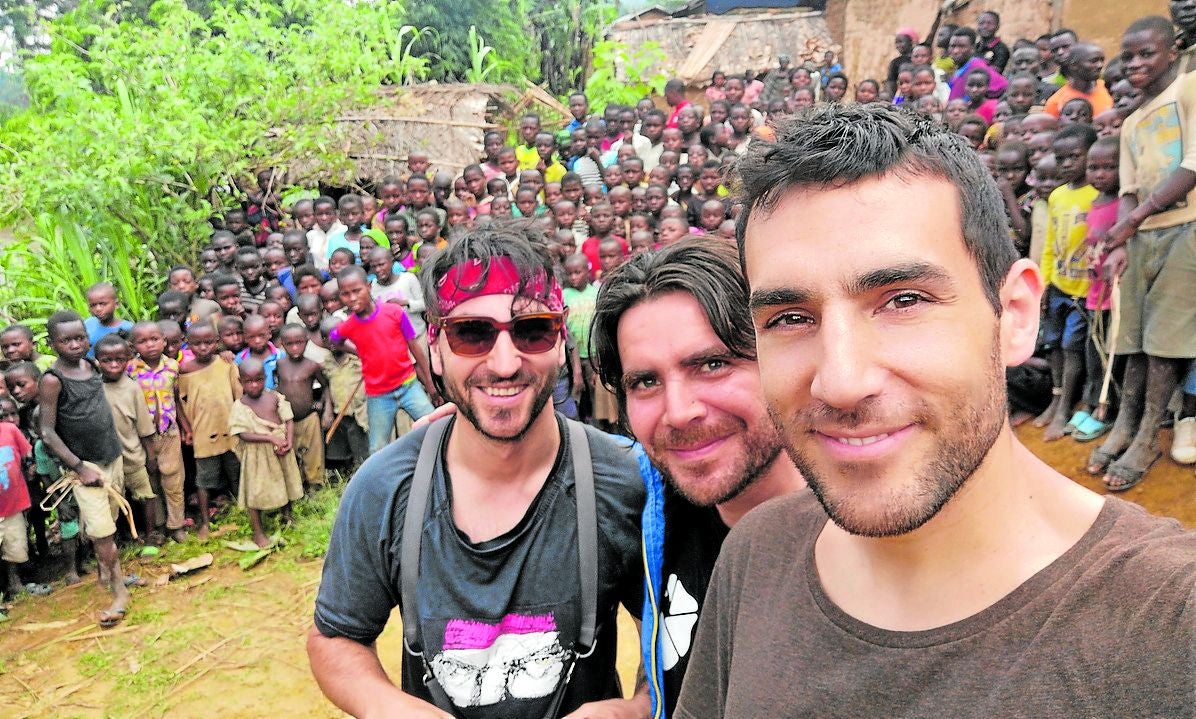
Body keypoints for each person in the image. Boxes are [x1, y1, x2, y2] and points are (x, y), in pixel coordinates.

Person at [675, 103, 1195, 718]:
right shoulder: (757, 552)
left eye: (904, 300)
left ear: (1016, 316)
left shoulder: (1170, 627)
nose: (841, 382)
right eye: (790, 318)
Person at [308, 226, 649, 718]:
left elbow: (675, 631)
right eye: (472, 334)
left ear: (560, 338)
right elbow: (336, 637)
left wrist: (634, 710)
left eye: (532, 330)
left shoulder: (625, 482)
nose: (505, 363)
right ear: (435, 345)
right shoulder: (385, 488)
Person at [590, 239, 805, 718]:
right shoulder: (657, 509)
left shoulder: (870, 546)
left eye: (712, 364)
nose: (680, 412)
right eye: (645, 381)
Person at [1093, 16, 1196, 491]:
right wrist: (1118, 239)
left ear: (1172, 51)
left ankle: (1147, 436)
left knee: (1164, 343)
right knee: (1132, 339)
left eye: (1146, 54)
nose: (1135, 64)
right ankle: (1124, 427)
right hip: (1143, 236)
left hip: (1186, 230)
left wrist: (1133, 220)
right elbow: (1130, 190)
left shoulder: (1191, 89)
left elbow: (1192, 165)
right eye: (1128, 55)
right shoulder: (1132, 121)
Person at [38, 311, 133, 628]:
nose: (75, 344)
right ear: (53, 344)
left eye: (80, 337)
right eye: (67, 340)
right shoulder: (53, 380)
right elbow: (47, 433)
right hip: (85, 467)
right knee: (102, 530)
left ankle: (108, 575)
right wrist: (79, 467)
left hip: (110, 456)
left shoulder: (90, 365)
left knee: (112, 517)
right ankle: (119, 590)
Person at [329, 265, 438, 455]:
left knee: (434, 426)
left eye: (357, 291)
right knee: (377, 448)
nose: (352, 298)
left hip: (408, 386)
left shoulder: (394, 313)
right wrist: (358, 351)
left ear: (369, 286)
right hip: (378, 394)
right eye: (345, 294)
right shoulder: (349, 326)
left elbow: (415, 349)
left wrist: (429, 383)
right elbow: (334, 340)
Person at [1036, 123, 1099, 442]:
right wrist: (1046, 283)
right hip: (1058, 287)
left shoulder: (1098, 195)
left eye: (1073, 157)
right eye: (1060, 159)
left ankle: (1064, 409)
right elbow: (1049, 244)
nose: (1066, 165)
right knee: (1053, 346)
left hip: (1084, 293)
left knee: (1072, 348)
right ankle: (1055, 399)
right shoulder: (1058, 195)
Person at [127, 321, 190, 544]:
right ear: (133, 345)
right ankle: (159, 526)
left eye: (154, 339)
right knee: (151, 482)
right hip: (142, 437)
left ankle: (177, 525)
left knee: (173, 479)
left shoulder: (173, 367)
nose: (150, 345)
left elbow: (176, 399)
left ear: (164, 341)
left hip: (169, 432)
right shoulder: (130, 370)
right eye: (142, 341)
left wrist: (186, 428)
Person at [178, 321, 242, 540]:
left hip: (230, 430)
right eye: (197, 344)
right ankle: (204, 522)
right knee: (204, 480)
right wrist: (187, 429)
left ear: (217, 342)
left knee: (236, 472)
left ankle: (242, 509)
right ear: (188, 345)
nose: (203, 348)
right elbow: (180, 402)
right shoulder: (185, 370)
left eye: (208, 343)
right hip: (203, 434)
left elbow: (239, 397)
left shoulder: (226, 365)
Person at [230, 358, 302, 548]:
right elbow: (242, 433)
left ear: (266, 377)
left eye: (259, 380)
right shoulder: (240, 406)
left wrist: (288, 441)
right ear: (241, 382)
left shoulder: (275, 397)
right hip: (257, 455)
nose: (254, 385)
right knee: (255, 489)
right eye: (248, 381)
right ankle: (258, 531)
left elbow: (289, 420)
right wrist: (270, 439)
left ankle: (287, 516)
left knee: (286, 480)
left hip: (281, 449)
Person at [94, 334, 159, 540]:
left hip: (132, 454)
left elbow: (145, 428)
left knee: (145, 495)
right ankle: (116, 539)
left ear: (127, 360)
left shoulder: (132, 388)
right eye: (107, 360)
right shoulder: (93, 389)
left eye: (119, 360)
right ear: (97, 361)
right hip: (107, 458)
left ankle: (149, 534)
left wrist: (151, 457)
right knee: (113, 498)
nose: (114, 365)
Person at [276, 323, 332, 489]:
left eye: (299, 343)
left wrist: (325, 407)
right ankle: (297, 486)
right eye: (289, 344)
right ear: (282, 344)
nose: (295, 348)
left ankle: (316, 484)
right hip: (287, 420)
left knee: (313, 453)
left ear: (306, 342)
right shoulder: (279, 365)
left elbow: (326, 386)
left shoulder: (312, 365)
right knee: (291, 453)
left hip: (309, 417)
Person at [1043, 43, 1113, 120]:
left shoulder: (1110, 89)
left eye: (1102, 60)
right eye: (1093, 61)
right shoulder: (1056, 102)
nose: (1100, 65)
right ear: (1074, 66)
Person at [946, 27, 1007, 101]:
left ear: (972, 48)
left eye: (961, 46)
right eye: (952, 46)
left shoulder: (977, 66)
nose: (955, 51)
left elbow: (1002, 86)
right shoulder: (959, 68)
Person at [83, 282, 133, 356]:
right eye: (93, 305)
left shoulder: (128, 328)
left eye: (103, 304)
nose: (98, 309)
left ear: (116, 304)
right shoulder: (87, 324)